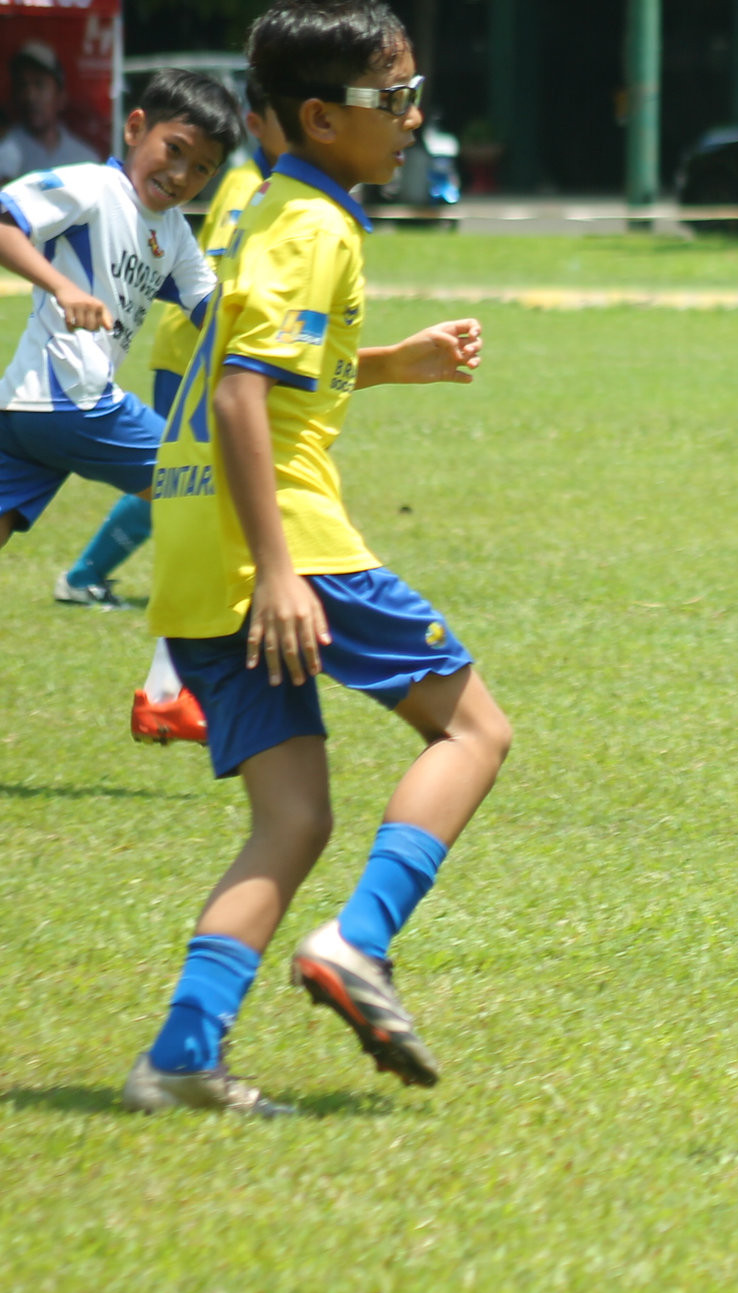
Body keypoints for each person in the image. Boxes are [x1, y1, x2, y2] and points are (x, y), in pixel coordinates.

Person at [123, 0, 508, 1118]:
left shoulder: (267, 211)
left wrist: (388, 362)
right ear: (321, 118)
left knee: (293, 818)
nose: (413, 116)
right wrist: (283, 571)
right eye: (395, 98)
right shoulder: (313, 228)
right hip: (282, 547)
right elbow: (240, 395)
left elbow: (237, 360)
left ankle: (181, 1057)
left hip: (197, 553)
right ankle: (358, 941)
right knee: (475, 731)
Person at [53, 78, 291, 748]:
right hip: (192, 361)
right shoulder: (245, 186)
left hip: (223, 356)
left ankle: (165, 687)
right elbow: (211, 275)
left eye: (199, 165)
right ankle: (152, 669)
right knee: (192, 491)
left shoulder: (264, 185)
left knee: (189, 495)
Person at [0, 72, 236, 567]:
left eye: (201, 168)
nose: (180, 175)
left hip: (24, 407)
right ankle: (235, 611)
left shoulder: (173, 232)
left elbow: (215, 313)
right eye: (174, 150)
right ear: (135, 128)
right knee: (205, 482)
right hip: (74, 400)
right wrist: (63, 287)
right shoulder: (94, 187)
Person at [0, 40, 101, 180]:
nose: (30, 96)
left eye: (39, 85)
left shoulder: (84, 160)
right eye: (23, 85)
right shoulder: (5, 152)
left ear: (60, 96)